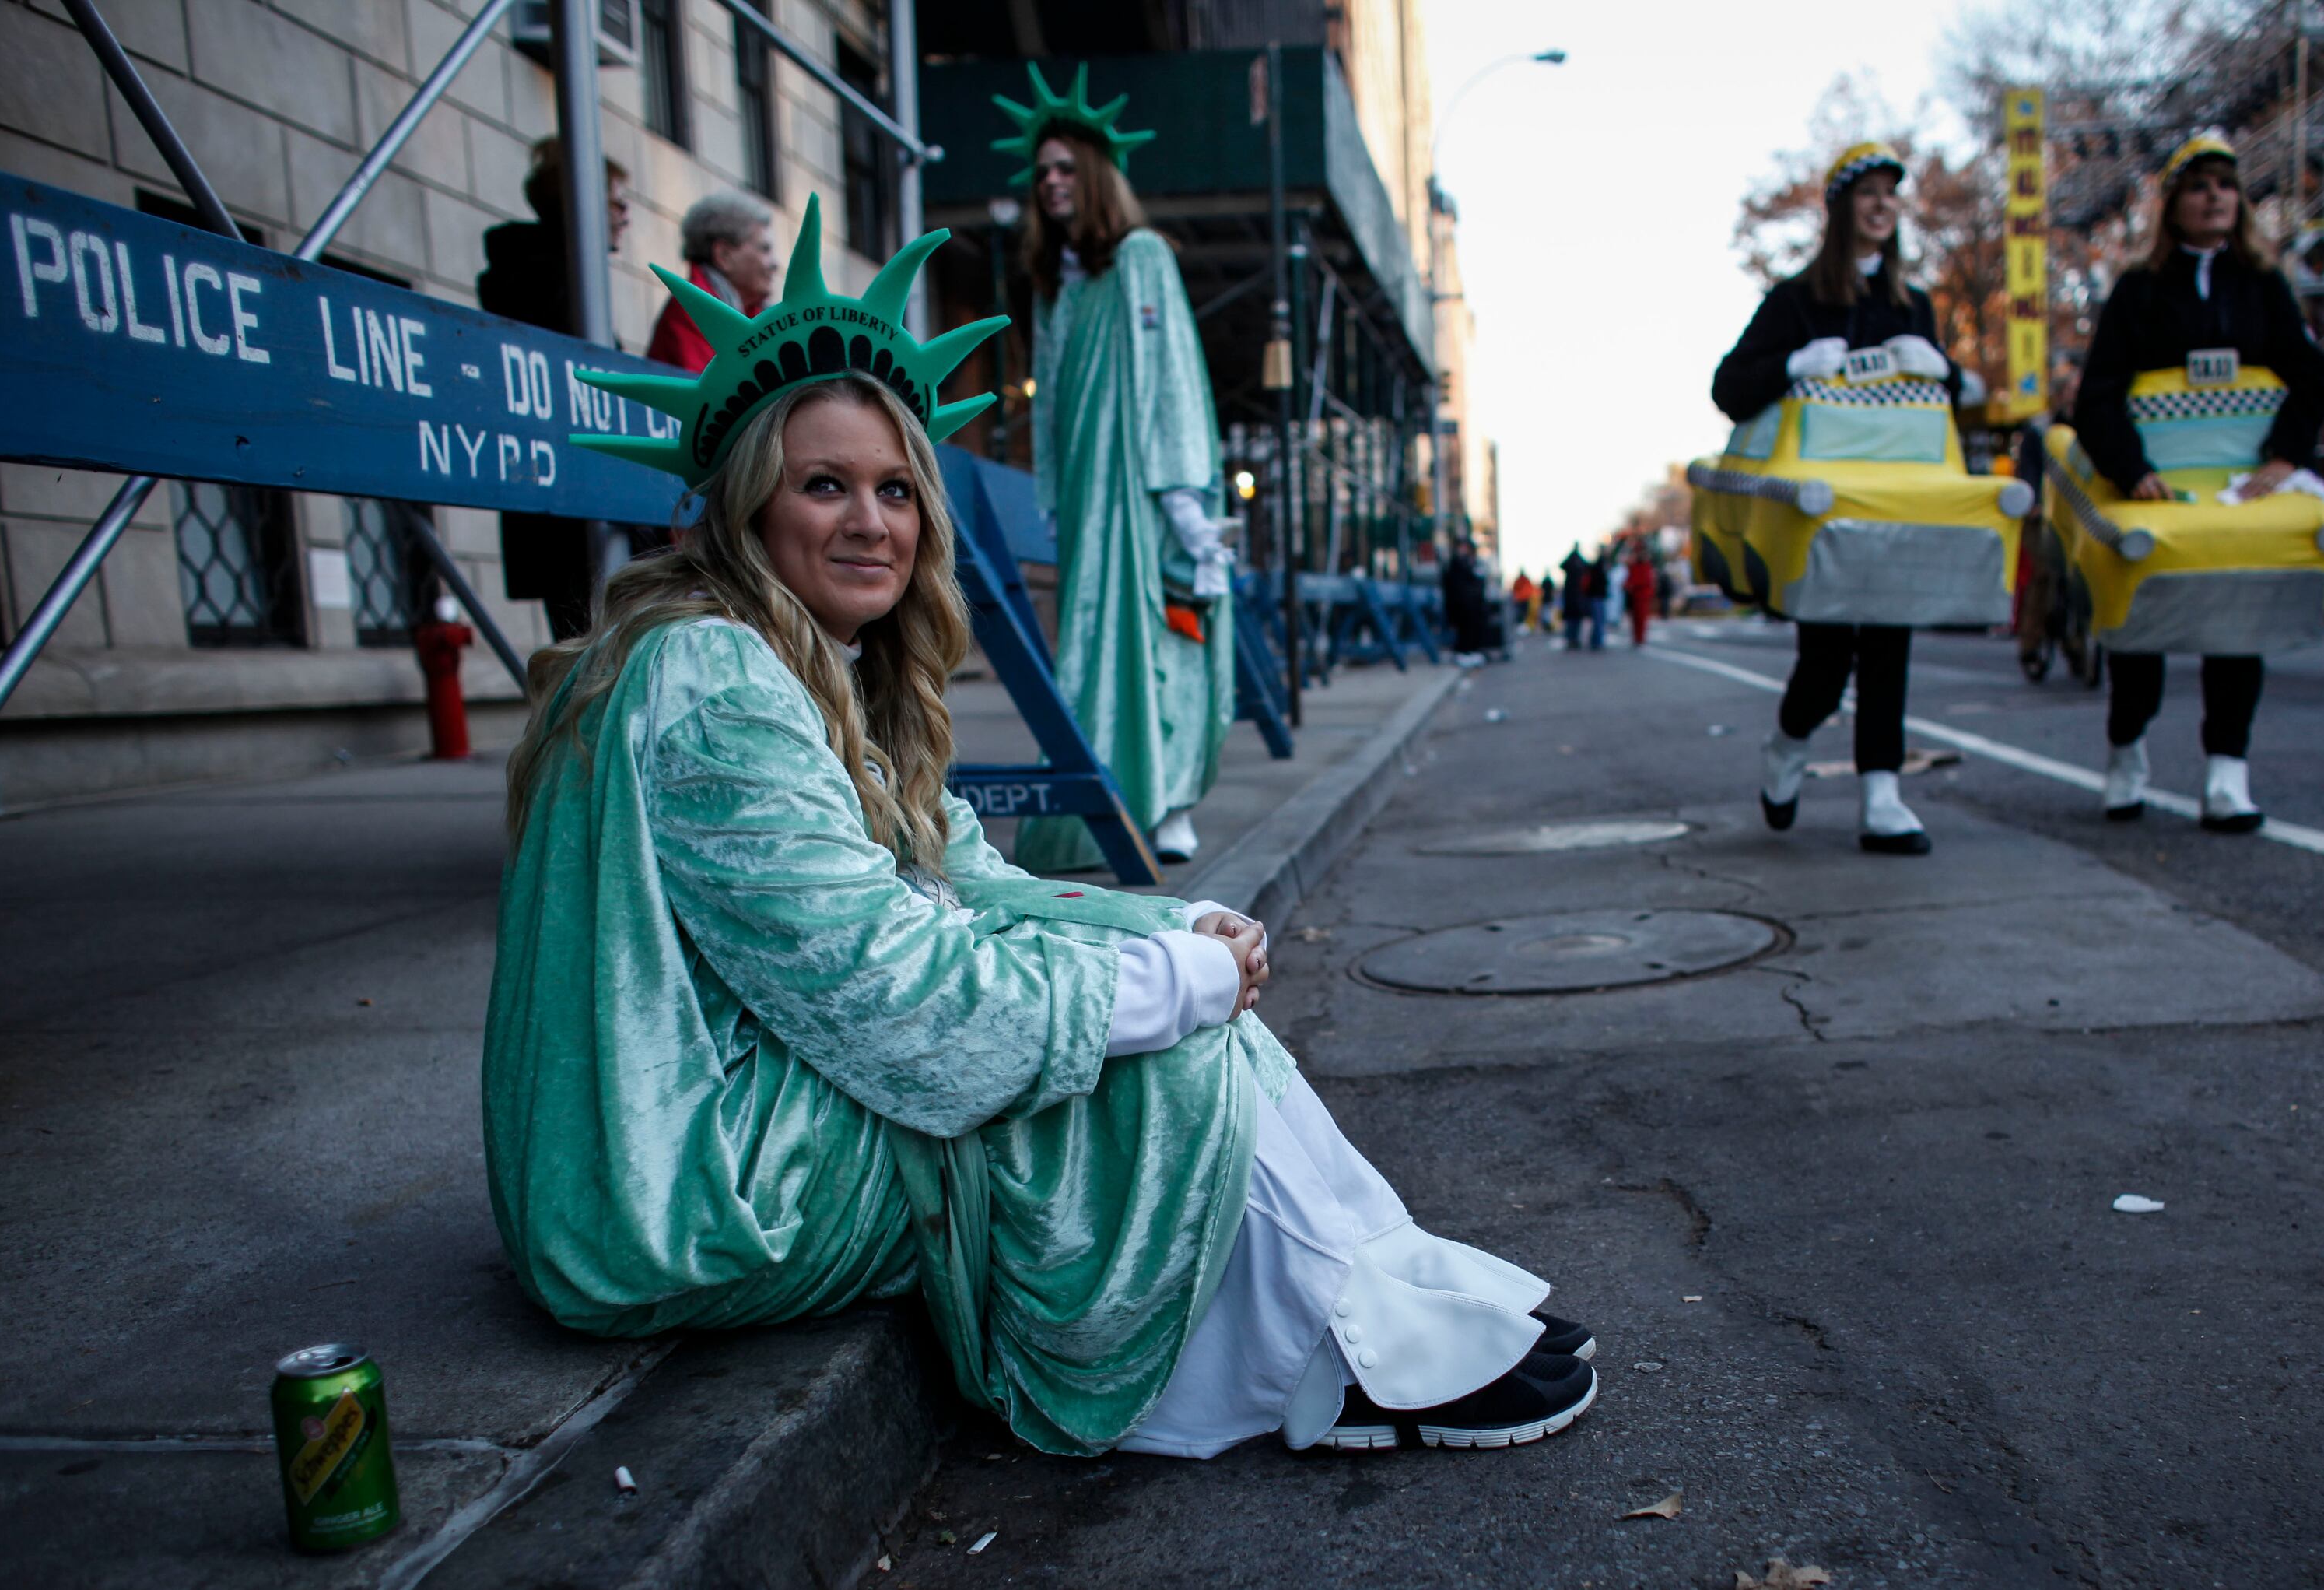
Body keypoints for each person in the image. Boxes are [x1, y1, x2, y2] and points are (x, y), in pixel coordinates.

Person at [495, 202, 1600, 1460]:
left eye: (895, 489)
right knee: (1142, 1057)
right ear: (749, 505)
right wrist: (1158, 985)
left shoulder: (786, 665)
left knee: (1178, 1004)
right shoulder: (715, 682)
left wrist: (1174, 924)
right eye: (824, 485)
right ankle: (1324, 1361)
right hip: (683, 1189)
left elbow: (965, 875)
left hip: (685, 1134)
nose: (871, 522)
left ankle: (1378, 1289)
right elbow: (893, 996)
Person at [992, 67, 1236, 871]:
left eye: (1066, 169)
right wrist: (1058, 497)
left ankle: (1166, 801)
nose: (1052, 183)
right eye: (1043, 174)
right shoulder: (1059, 288)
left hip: (1142, 488)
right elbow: (1055, 405)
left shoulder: (1138, 258)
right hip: (1094, 502)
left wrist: (1180, 496)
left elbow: (1169, 374)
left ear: (1096, 174)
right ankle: (1112, 798)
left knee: (1162, 639)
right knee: (1096, 649)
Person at [2070, 132, 2324, 835]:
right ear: (2174, 205)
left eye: (2226, 184)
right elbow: (2097, 396)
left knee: (2237, 622)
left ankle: (2227, 771)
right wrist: (2136, 471)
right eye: (2198, 186)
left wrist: (2283, 461)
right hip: (2156, 489)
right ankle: (2126, 749)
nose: (2215, 196)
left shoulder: (2264, 286)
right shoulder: (2138, 291)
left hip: (2242, 489)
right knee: (2140, 629)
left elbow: (2312, 379)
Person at [1712, 141, 1961, 855]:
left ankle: (1882, 793)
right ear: (1841, 207)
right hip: (1819, 513)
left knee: (1890, 636)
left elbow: (1949, 403)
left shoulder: (1913, 306)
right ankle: (1788, 747)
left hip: (1894, 503)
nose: (1882, 206)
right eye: (1867, 193)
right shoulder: (1794, 302)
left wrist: (1940, 366)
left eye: (1892, 194)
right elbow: (1728, 388)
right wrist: (1789, 364)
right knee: (1825, 660)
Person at [478, 138, 632, 640]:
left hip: (580, 514)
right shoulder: (548, 282)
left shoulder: (560, 278)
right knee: (595, 665)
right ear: (579, 201)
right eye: (614, 198)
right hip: (571, 517)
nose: (624, 212)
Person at [647, 192, 778, 372]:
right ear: (724, 255)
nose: (775, 264)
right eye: (765, 249)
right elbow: (720, 393)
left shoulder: (755, 313)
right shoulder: (694, 311)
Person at [1557, 546, 1599, 651]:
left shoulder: (1575, 561)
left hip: (1575, 596)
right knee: (1574, 620)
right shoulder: (1579, 562)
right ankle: (1573, 640)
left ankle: (1572, 640)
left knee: (1573, 620)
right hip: (1576, 596)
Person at [1623, 541, 1657, 647]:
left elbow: (1645, 581)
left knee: (1641, 618)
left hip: (1642, 595)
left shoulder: (1646, 567)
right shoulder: (1636, 566)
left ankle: (1640, 638)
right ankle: (1637, 638)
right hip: (1637, 596)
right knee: (1636, 618)